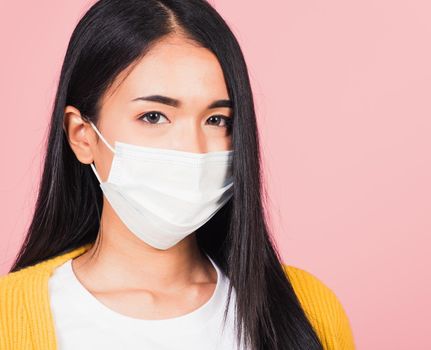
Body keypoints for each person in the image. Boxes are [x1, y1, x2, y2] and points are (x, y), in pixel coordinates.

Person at [0, 0, 355, 349]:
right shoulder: (8, 318)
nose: (193, 150)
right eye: (153, 116)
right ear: (82, 135)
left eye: (217, 120)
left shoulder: (308, 309)